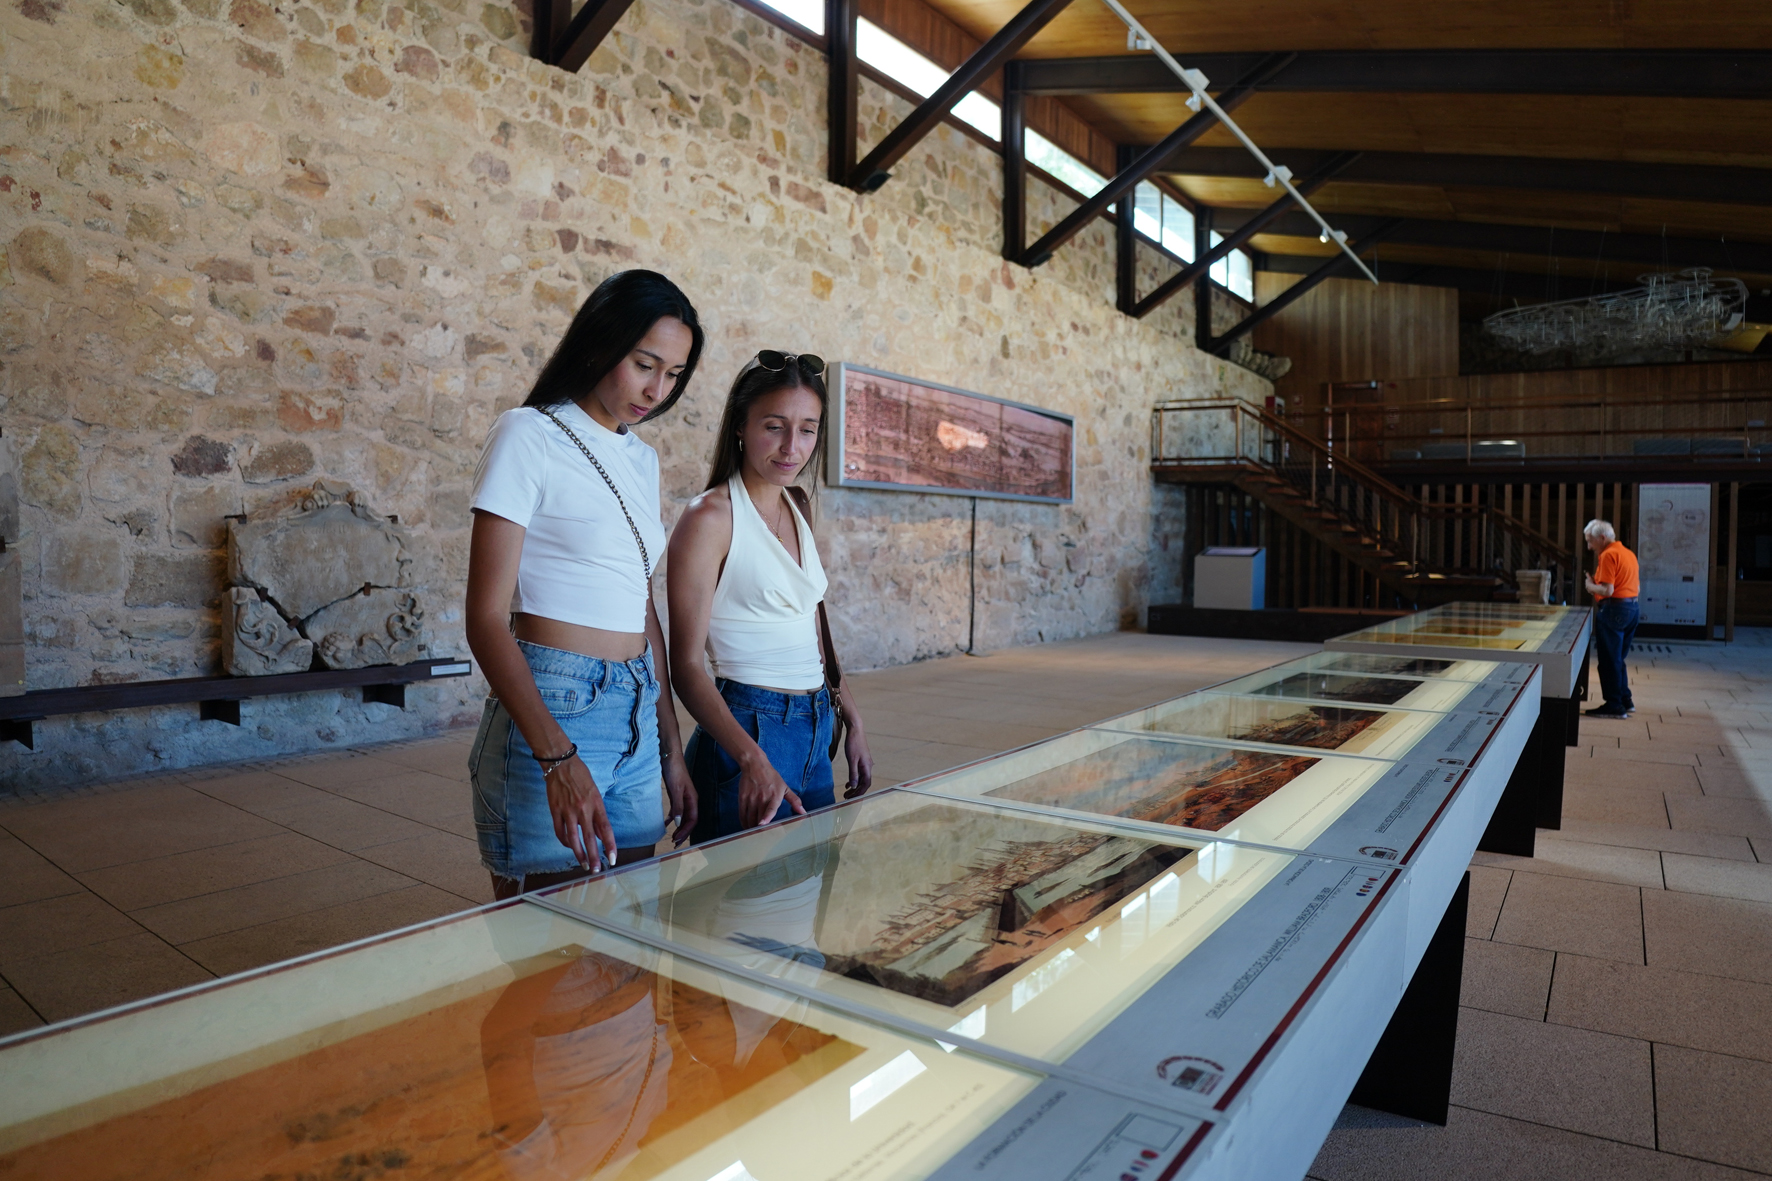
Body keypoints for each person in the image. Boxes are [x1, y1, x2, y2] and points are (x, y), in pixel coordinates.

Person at [465, 270, 703, 899]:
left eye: (674, 374)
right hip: (555, 702)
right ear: (600, 343)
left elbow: (639, 605)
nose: (657, 390)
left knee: (631, 932)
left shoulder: (641, 458)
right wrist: (557, 757)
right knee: (552, 942)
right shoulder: (528, 434)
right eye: (644, 364)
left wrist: (669, 744)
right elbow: (485, 619)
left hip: (636, 705)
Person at [667, 351, 873, 840]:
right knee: (746, 886)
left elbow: (812, 627)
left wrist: (852, 717)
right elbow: (686, 667)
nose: (791, 447)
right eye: (774, 427)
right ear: (740, 425)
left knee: (808, 878)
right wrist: (752, 759)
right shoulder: (710, 518)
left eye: (807, 430)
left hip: (815, 726)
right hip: (748, 727)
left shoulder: (797, 504)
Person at [1582, 518, 1640, 718]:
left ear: (1602, 538)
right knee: (1618, 658)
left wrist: (1590, 586)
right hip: (1632, 608)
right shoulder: (1628, 554)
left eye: (1590, 541)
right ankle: (1625, 700)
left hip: (1614, 610)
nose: (1589, 547)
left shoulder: (1608, 555)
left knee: (1608, 660)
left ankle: (1614, 705)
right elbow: (1635, 586)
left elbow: (1608, 590)